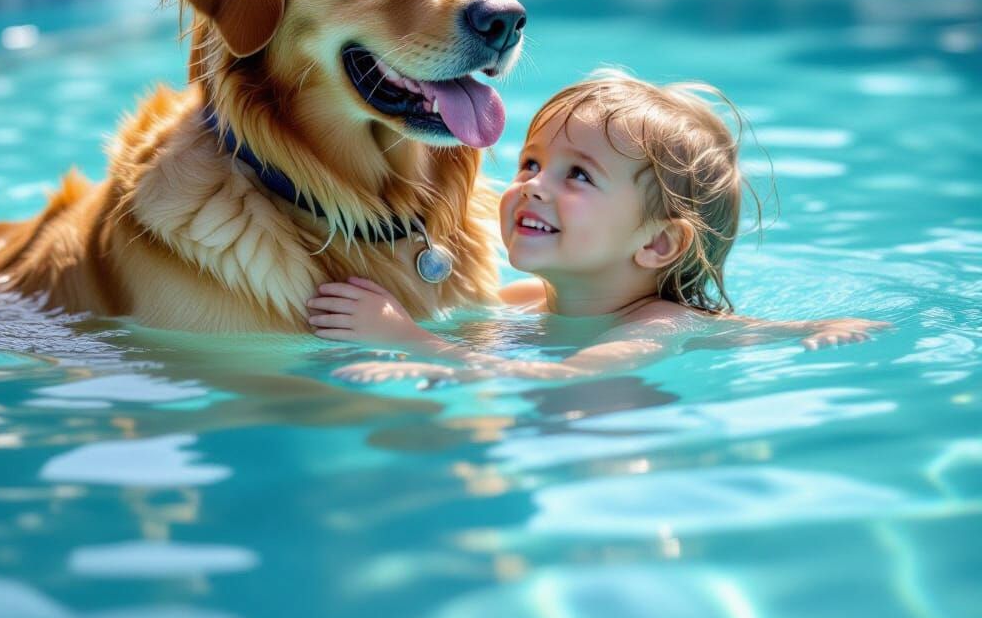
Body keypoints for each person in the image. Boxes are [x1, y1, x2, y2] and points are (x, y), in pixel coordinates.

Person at [307, 72, 889, 385]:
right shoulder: (525, 300)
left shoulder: (661, 323)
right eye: (530, 163)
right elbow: (475, 347)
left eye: (578, 175)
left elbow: (564, 377)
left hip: (607, 460)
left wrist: (409, 341)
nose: (533, 185)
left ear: (657, 242)